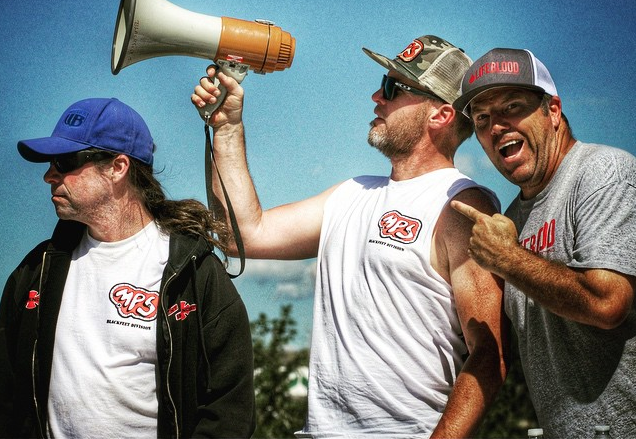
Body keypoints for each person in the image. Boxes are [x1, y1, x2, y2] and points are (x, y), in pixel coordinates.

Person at [192, 35, 509, 438]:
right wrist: (226, 127)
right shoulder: (351, 194)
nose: (378, 95)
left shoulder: (463, 207)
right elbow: (241, 236)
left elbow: (490, 355)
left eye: (394, 87)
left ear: (441, 115)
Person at [0, 98, 256, 438]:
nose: (49, 175)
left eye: (64, 161)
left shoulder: (193, 273)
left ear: (118, 167)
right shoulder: (35, 272)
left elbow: (229, 412)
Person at [451, 48, 636, 438]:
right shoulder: (514, 219)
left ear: (553, 110)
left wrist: (507, 258)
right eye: (482, 119)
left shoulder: (603, 172)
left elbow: (608, 302)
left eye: (512, 107)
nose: (496, 126)